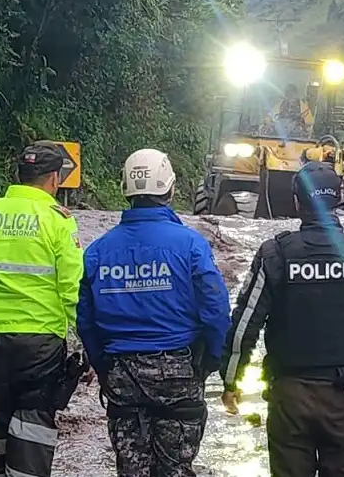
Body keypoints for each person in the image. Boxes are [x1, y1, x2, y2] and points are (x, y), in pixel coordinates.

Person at [220, 161, 344, 477]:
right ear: (338, 199)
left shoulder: (275, 254)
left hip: (288, 399)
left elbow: (245, 325)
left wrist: (231, 380)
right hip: (342, 398)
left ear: (297, 202)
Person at [77, 149, 232, 477]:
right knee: (176, 468)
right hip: (179, 373)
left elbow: (86, 322)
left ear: (125, 189)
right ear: (170, 189)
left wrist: (104, 366)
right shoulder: (191, 245)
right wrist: (211, 360)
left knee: (131, 469)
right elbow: (216, 309)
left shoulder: (97, 251)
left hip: (122, 375)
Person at [0, 141, 83, 477]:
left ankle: (2, 469)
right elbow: (72, 288)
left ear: (19, 174)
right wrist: (86, 340)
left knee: (2, 412)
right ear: (55, 178)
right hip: (41, 341)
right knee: (33, 420)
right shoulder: (59, 221)